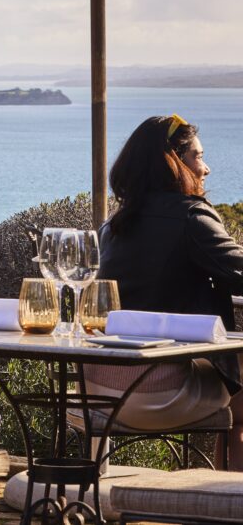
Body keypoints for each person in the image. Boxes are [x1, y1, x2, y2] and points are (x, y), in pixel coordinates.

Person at [87, 114, 243, 469]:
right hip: (158, 393)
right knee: (239, 399)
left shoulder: (112, 226)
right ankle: (229, 494)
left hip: (99, 391)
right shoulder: (191, 218)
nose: (206, 168)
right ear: (174, 162)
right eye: (198, 156)